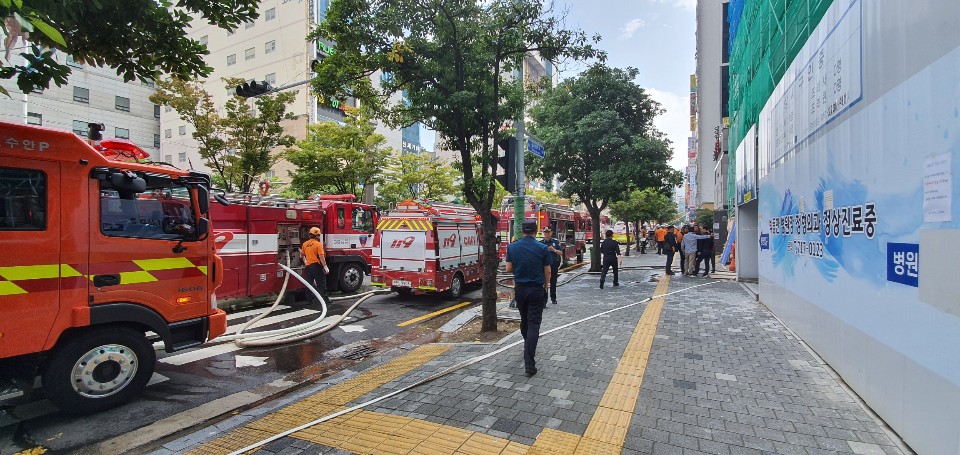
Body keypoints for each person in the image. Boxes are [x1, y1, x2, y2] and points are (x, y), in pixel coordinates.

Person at [505, 220, 552, 376]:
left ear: (522, 230)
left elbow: (508, 268)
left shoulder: (512, 247)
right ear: (535, 230)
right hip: (536, 290)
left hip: (520, 290)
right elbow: (548, 271)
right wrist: (546, 286)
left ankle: (527, 345)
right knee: (534, 324)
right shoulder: (543, 248)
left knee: (524, 321)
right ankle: (529, 364)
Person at [301, 226, 329, 303]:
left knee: (309, 283)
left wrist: (305, 262)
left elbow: (302, 255)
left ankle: (309, 300)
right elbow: (321, 256)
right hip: (316, 266)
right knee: (321, 283)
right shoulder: (318, 244)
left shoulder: (305, 244)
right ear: (317, 236)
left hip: (308, 266)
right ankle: (324, 300)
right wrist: (325, 266)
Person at [539, 227, 562, 305]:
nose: (547, 234)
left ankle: (553, 298)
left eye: (548, 233)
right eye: (545, 233)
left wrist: (554, 250)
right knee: (544, 281)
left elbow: (561, 253)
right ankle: (544, 300)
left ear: (551, 233)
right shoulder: (541, 242)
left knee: (553, 281)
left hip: (553, 263)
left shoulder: (555, 242)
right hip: (544, 264)